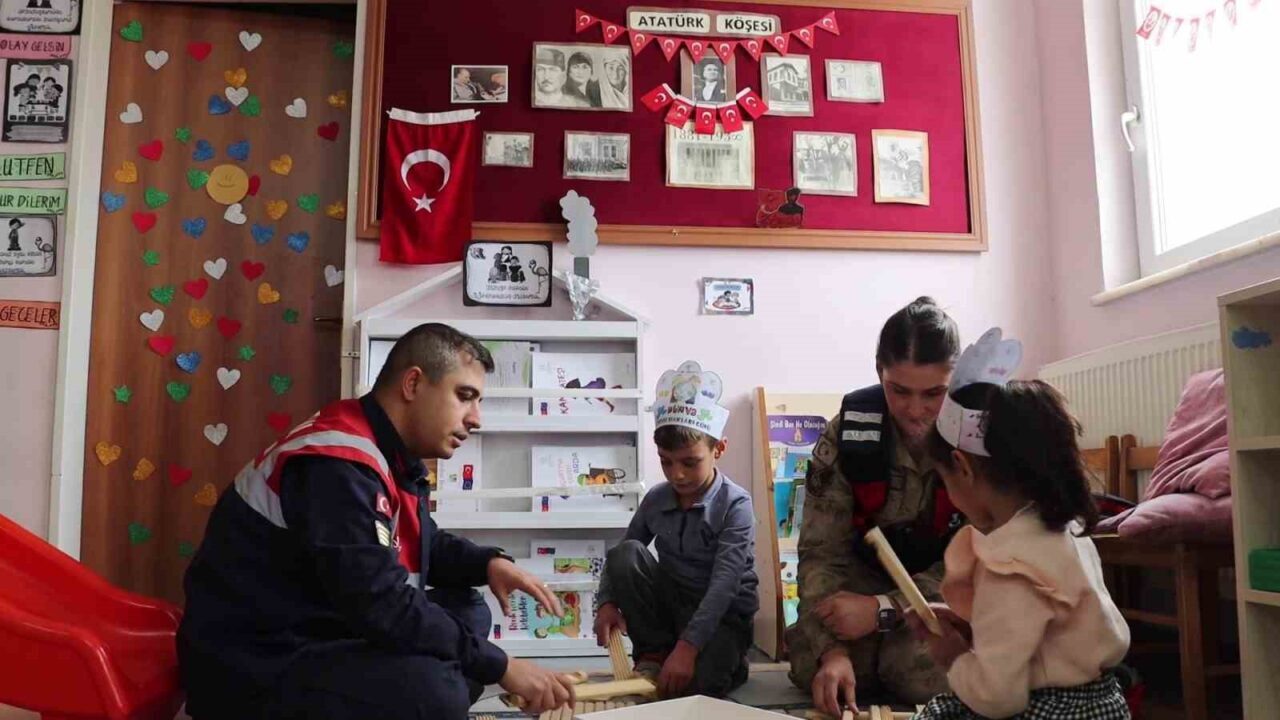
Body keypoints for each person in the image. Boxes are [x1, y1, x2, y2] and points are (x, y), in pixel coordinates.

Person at [178, 323, 579, 720]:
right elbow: (380, 601)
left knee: (469, 611)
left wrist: (489, 563)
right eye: (464, 397)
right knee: (435, 692)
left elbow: (424, 542)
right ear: (413, 384)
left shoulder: (381, 451)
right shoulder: (335, 464)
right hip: (256, 660)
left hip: (317, 626)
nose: (476, 419)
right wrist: (502, 666)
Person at [906, 329, 1131, 719]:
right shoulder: (1066, 532)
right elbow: (1049, 632)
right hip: (1104, 704)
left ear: (962, 467)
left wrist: (953, 655)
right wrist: (973, 620)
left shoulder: (1008, 565)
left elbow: (997, 698)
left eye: (945, 480)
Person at [786, 297, 964, 715]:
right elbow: (821, 553)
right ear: (878, 372)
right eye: (899, 391)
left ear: (954, 382)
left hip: (948, 598)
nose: (916, 411)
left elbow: (982, 559)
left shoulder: (976, 439)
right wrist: (831, 650)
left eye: (934, 393)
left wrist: (887, 609)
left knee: (918, 672)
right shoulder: (848, 433)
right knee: (814, 663)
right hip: (859, 588)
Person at [593, 361, 759, 699]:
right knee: (627, 554)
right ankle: (654, 653)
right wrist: (606, 602)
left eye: (689, 462)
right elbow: (624, 554)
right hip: (672, 607)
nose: (677, 475)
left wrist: (688, 648)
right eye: (666, 461)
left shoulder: (736, 505)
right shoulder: (657, 498)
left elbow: (724, 586)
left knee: (694, 689)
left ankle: (728, 661)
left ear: (719, 450)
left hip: (722, 615)